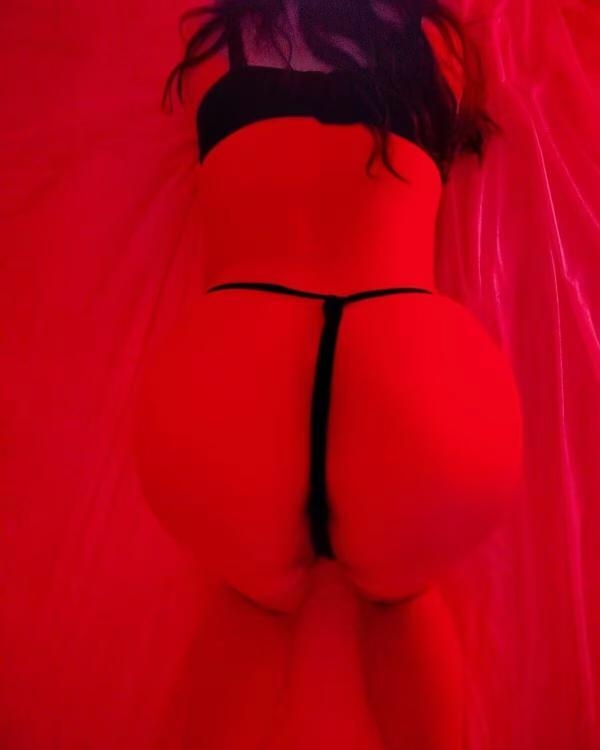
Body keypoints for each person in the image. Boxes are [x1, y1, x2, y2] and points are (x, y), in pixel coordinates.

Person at [132, 1, 525, 747]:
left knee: (250, 600)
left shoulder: (214, 44)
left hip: (228, 368)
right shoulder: (435, 49)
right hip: (414, 369)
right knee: (402, 599)